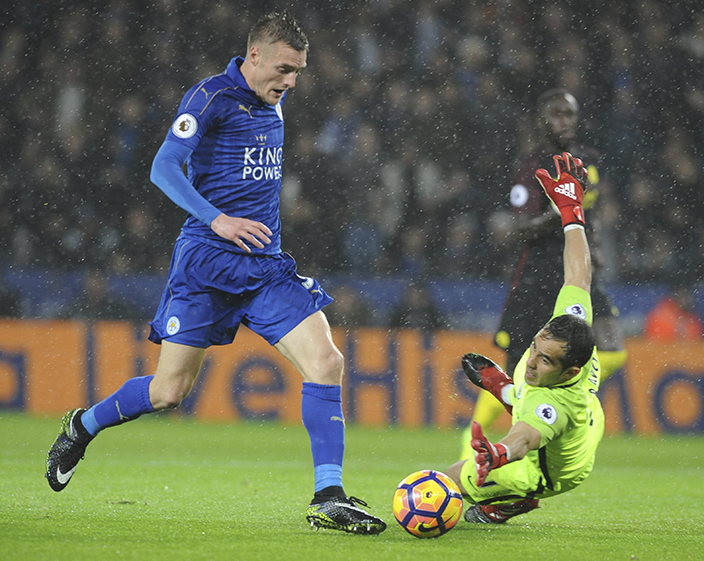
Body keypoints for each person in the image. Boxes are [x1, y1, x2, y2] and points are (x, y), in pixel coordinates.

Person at [45, 11, 386, 536]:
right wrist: (218, 219)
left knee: (327, 360)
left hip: (265, 265)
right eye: (283, 69)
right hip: (206, 262)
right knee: (168, 393)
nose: (291, 82)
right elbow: (162, 167)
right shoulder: (208, 98)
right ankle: (81, 426)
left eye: (298, 72)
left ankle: (329, 495)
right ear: (253, 56)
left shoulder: (272, 95)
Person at [461, 89, 627, 459]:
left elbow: (595, 212)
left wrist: (592, 240)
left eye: (569, 114)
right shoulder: (531, 165)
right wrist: (565, 207)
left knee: (613, 345)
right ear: (541, 120)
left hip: (579, 263)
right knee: (521, 364)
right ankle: (481, 436)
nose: (564, 121)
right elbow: (522, 229)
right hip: (537, 272)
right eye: (556, 114)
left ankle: (557, 406)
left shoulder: (589, 160)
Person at [446, 152, 604, 524]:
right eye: (535, 347)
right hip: (584, 428)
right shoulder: (571, 330)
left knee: (443, 481)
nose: (531, 359)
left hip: (545, 469)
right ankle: (505, 390)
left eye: (546, 359)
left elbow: (527, 437)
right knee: (525, 386)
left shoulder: (553, 405)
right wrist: (571, 213)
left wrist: (500, 454)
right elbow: (578, 276)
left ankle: (517, 497)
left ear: (570, 372)